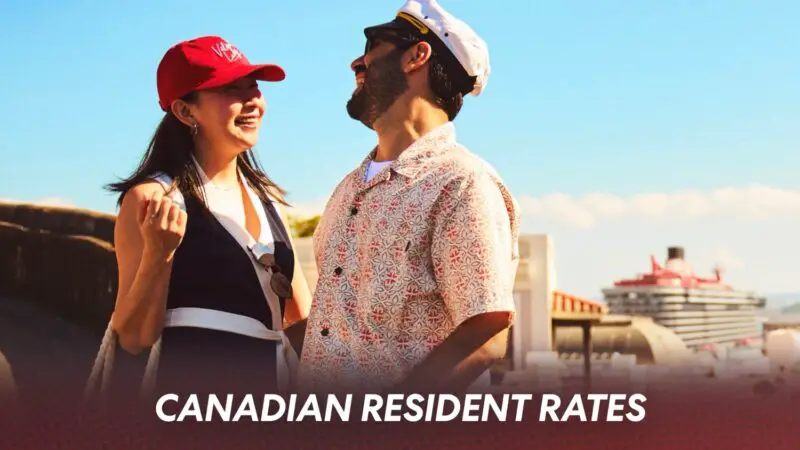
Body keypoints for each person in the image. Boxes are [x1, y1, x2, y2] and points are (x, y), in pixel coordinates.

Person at [298, 0, 520, 394]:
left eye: (372, 45)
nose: (356, 63)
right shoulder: (346, 190)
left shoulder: (461, 182)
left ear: (417, 55)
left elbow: (486, 330)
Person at [99, 36, 312, 398]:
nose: (252, 100)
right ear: (186, 112)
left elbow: (300, 322)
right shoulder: (153, 199)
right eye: (231, 89)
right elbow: (134, 339)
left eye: (253, 86)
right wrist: (158, 254)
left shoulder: (270, 204)